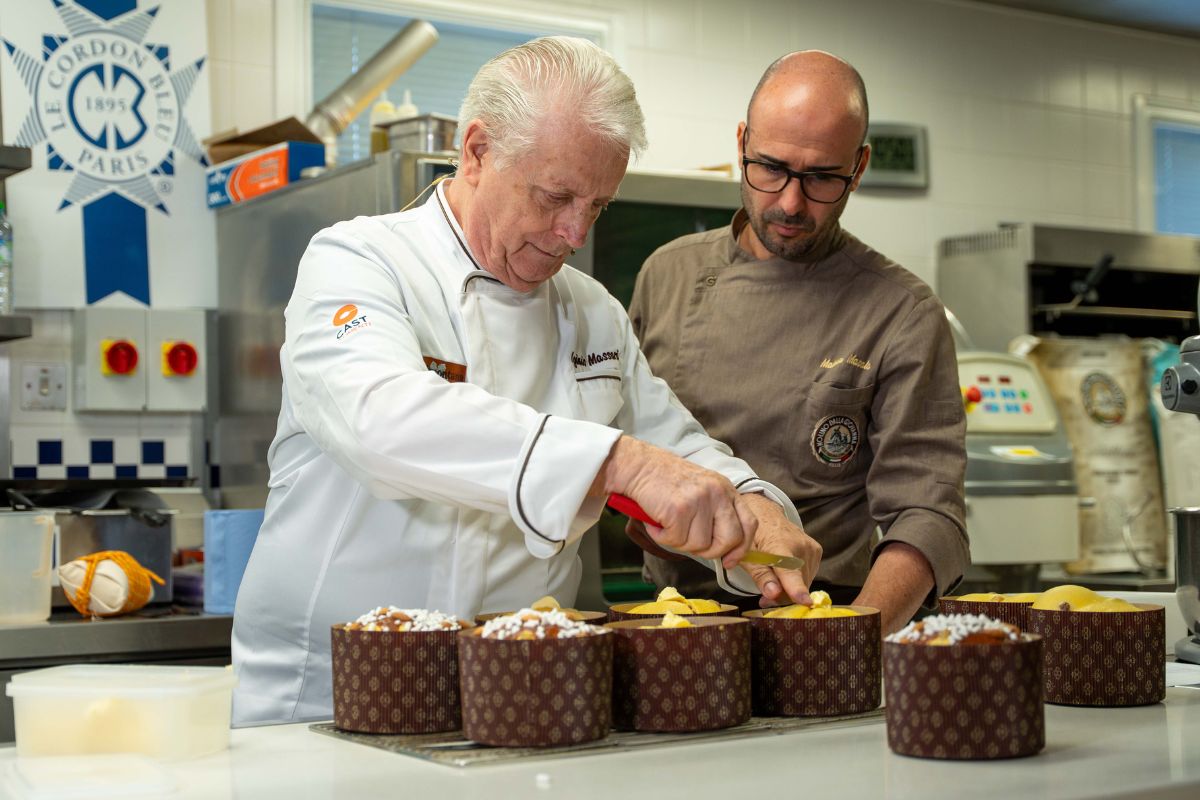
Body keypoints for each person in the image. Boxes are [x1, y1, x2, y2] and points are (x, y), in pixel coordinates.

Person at [230, 36, 820, 726]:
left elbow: (675, 447)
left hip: (522, 698)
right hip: (329, 703)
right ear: (477, 151)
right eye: (554, 196)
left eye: (596, 205)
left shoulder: (590, 309)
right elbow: (380, 420)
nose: (573, 232)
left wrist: (752, 506)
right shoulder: (360, 262)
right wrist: (616, 462)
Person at [629, 51, 969, 635]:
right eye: (770, 168)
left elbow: (927, 513)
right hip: (670, 621)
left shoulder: (901, 311)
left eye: (821, 178)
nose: (790, 202)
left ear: (858, 167)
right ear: (741, 143)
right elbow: (622, 445)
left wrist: (847, 639)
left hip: (822, 616)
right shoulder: (667, 275)